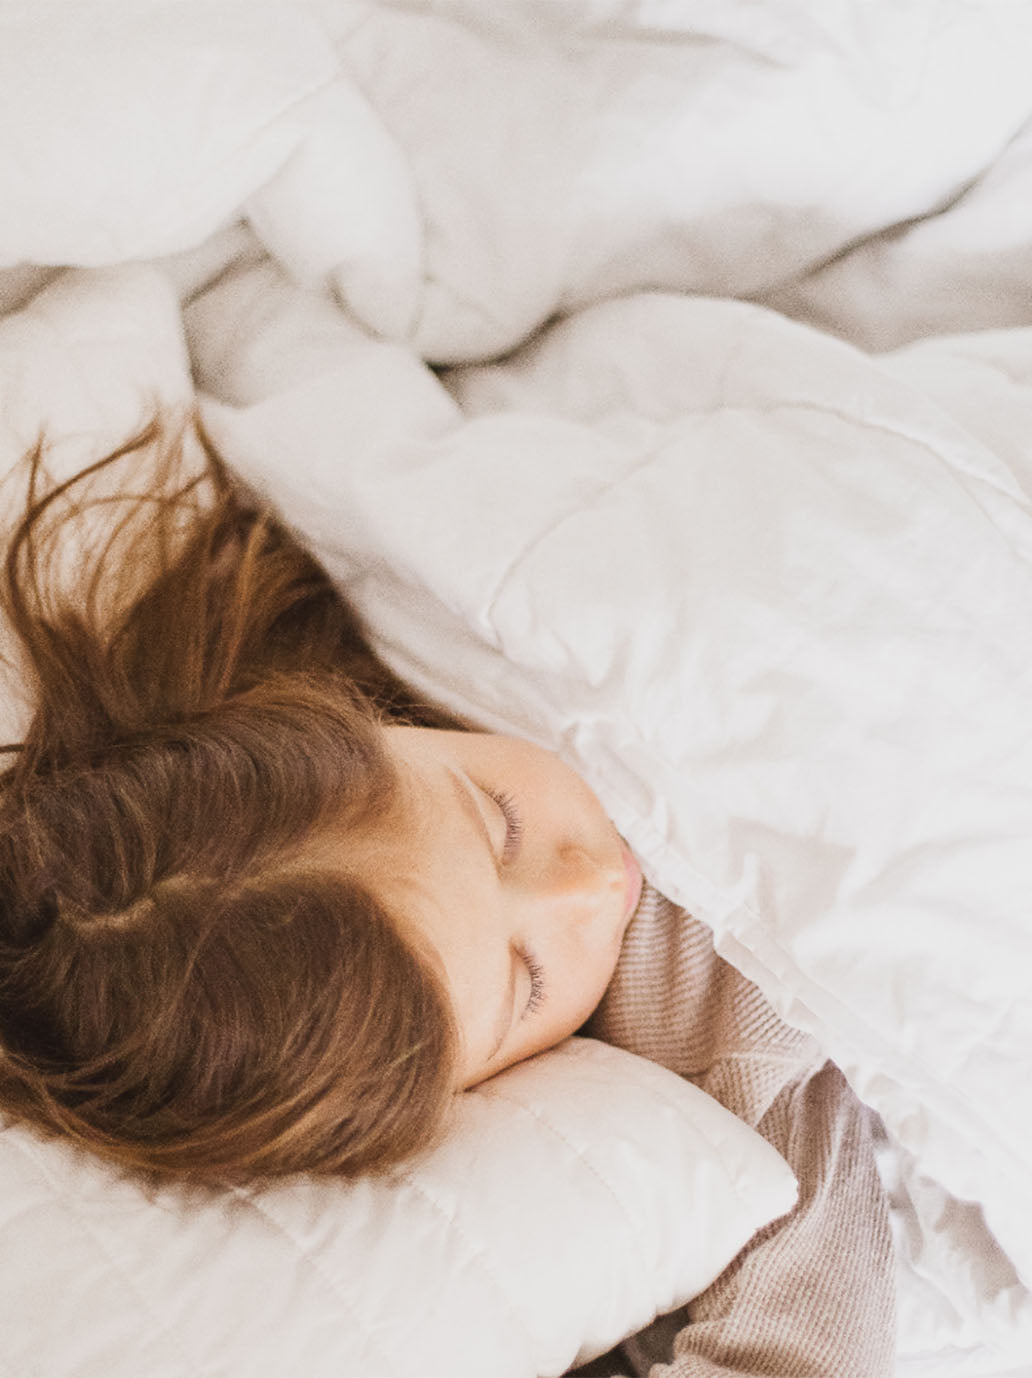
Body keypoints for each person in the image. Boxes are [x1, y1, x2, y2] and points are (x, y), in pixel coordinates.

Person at [0, 416, 895, 1375]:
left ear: (356, 718)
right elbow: (811, 1325)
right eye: (529, 982)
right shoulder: (716, 1020)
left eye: (500, 820)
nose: (590, 887)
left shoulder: (425, 617)